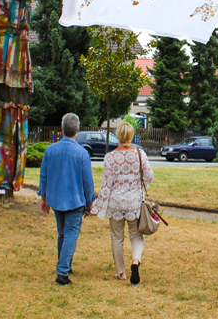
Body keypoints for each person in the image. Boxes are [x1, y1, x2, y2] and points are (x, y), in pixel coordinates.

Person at [91, 122, 154, 285]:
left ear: (117, 135)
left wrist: (96, 207)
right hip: (134, 202)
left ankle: (121, 272)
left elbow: (106, 185)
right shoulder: (140, 154)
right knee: (136, 235)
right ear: (131, 135)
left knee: (117, 237)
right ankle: (135, 261)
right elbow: (149, 176)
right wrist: (140, 185)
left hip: (116, 202)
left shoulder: (110, 157)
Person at [38, 113, 95, 286]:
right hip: (75, 200)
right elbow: (88, 181)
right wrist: (89, 202)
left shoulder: (50, 150)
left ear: (62, 129)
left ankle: (65, 265)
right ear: (77, 130)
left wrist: (44, 197)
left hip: (56, 199)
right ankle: (62, 271)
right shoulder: (82, 153)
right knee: (70, 234)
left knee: (62, 233)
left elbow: (44, 176)